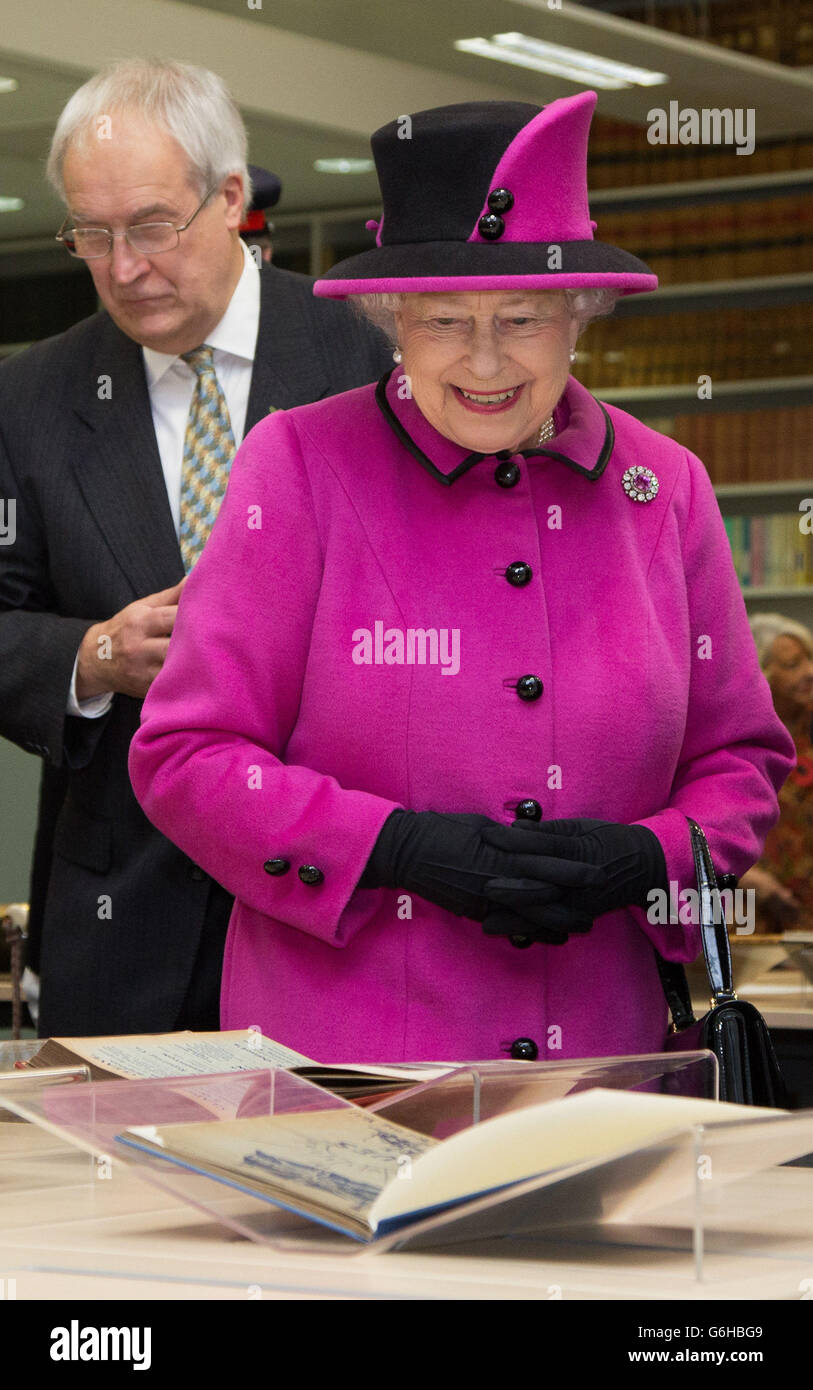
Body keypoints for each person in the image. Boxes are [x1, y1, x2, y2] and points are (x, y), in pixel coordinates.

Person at [129, 93, 793, 1063]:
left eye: (521, 317)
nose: (484, 359)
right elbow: (187, 754)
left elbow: (740, 763)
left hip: (605, 1081)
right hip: (347, 1082)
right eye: (444, 319)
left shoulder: (665, 487)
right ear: (394, 318)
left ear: (579, 313)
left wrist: (649, 857)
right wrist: (392, 849)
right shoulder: (301, 468)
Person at [0, 58, 391, 1038]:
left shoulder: (371, 354)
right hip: (122, 931)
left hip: (351, 915)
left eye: (150, 227)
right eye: (92, 236)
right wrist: (92, 656)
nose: (123, 267)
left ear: (229, 199)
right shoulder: (33, 396)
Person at [740, 614, 813, 932]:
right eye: (792, 665)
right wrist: (749, 879)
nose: (810, 672)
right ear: (762, 673)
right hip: (754, 905)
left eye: (809, 659)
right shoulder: (741, 741)